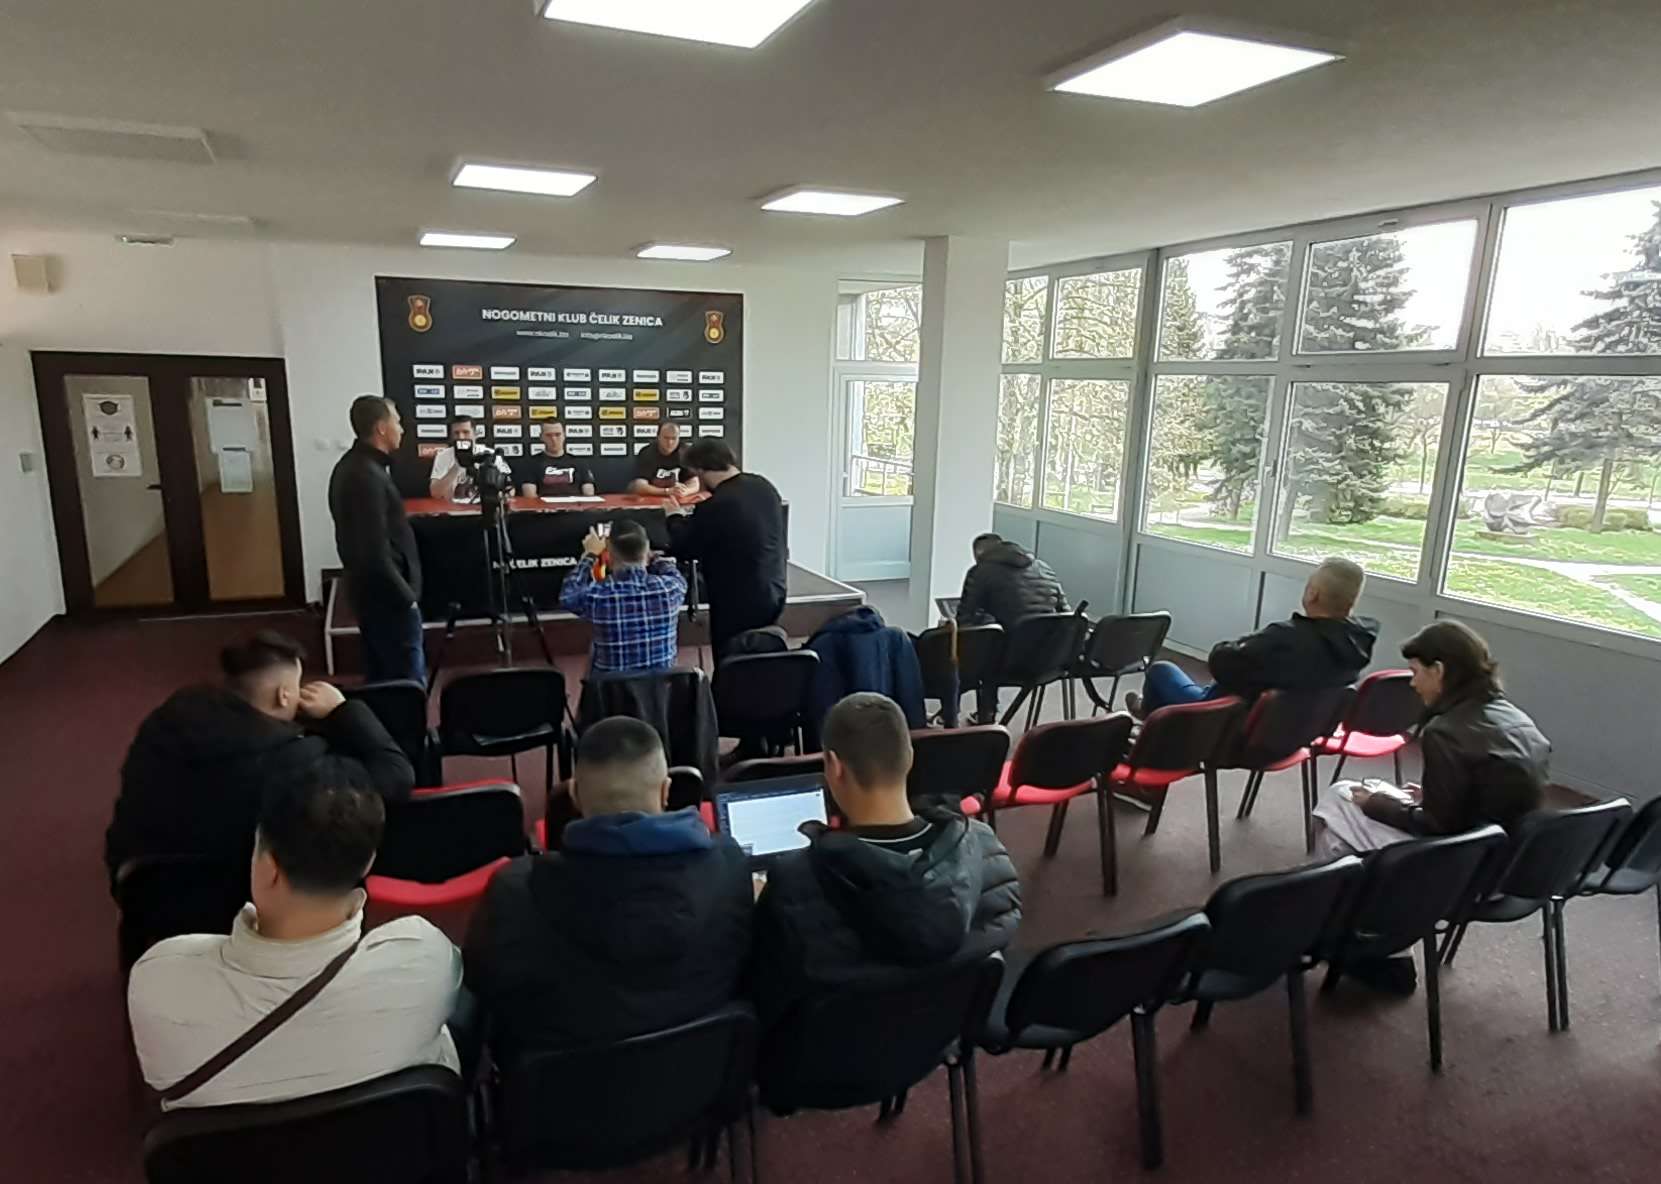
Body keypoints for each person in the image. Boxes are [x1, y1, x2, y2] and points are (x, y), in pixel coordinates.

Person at [128, 778, 462, 1110]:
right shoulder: (424, 957)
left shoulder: (157, 980)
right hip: (389, 1145)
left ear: (269, 868)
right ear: (368, 863)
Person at [464, 718, 751, 1059]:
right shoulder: (729, 866)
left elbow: (486, 986)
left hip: (569, 1088)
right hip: (705, 1071)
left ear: (574, 795)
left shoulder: (515, 891)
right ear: (666, 791)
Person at [752, 693, 1021, 1027]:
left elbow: (766, 989)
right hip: (937, 1034)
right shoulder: (987, 850)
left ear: (834, 766)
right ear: (910, 758)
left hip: (831, 1049)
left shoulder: (794, 883)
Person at [105, 631, 413, 890]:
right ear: (284, 696)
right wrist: (343, 710)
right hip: (244, 902)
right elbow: (396, 775)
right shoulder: (300, 763)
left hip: (146, 893)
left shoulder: (166, 719)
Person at [1314, 620, 1551, 856]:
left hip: (1458, 857)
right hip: (1510, 854)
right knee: (1337, 840)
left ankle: (1330, 876)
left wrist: (1374, 803)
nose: (1413, 683)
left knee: (1341, 796)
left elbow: (1434, 826)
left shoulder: (1446, 732)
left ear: (1438, 671)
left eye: (1415, 672)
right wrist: (1432, 796)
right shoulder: (1519, 719)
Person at [1127, 557, 1377, 718]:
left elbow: (1220, 664)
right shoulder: (1358, 643)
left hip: (1226, 724)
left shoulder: (1285, 638)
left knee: (1160, 670)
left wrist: (1237, 645)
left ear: (1313, 594)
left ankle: (1152, 730)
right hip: (1287, 735)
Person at [329, 394, 426, 684]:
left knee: (384, 680)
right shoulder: (363, 475)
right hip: (386, 599)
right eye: (397, 422)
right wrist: (405, 598)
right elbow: (371, 550)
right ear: (382, 428)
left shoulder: (361, 467)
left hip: (377, 596)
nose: (402, 429)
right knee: (404, 683)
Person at [665, 438, 788, 659]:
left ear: (700, 470)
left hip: (736, 600)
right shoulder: (764, 486)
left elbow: (686, 548)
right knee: (764, 656)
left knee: (730, 661)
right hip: (774, 589)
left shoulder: (717, 505)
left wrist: (674, 517)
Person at [559, 518, 687, 674]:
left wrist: (590, 555)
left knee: (595, 647)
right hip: (661, 687)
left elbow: (568, 595)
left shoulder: (598, 595)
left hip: (611, 687)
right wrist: (653, 556)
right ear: (646, 550)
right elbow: (672, 571)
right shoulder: (671, 589)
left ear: (608, 554)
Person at [957, 532, 1070, 630]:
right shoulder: (1044, 567)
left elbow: (965, 618)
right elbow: (1066, 613)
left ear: (979, 554)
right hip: (1051, 642)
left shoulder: (980, 571)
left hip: (1010, 643)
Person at [428, 415, 510, 502]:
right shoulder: (443, 456)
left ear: (475, 434)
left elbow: (510, 489)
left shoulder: (490, 454)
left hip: (484, 505)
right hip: (453, 507)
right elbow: (435, 494)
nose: (461, 437)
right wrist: (457, 466)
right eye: (456, 433)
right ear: (451, 436)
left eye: (466, 432)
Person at [516, 421, 597, 497]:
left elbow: (589, 493)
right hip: (544, 506)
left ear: (564, 435)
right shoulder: (531, 464)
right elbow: (530, 496)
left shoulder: (580, 463)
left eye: (557, 435)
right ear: (541, 437)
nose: (553, 439)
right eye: (549, 435)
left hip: (575, 506)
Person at [628, 422, 700, 498]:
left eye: (674, 438)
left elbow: (695, 483)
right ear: (658, 437)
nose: (670, 442)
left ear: (679, 438)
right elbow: (639, 486)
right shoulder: (647, 452)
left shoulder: (685, 452)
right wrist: (667, 491)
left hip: (677, 498)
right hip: (653, 497)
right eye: (666, 438)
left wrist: (685, 491)